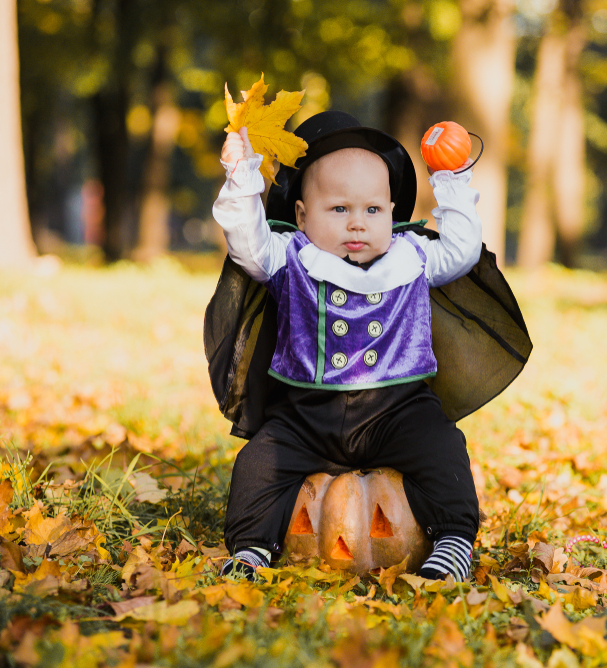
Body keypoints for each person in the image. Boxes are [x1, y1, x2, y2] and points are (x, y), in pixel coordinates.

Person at [211, 110, 494, 583]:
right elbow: (246, 243)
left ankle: (453, 540)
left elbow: (463, 250)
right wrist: (241, 176)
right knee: (258, 463)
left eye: (373, 210)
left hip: (397, 410)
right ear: (302, 215)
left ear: (391, 211)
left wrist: (450, 179)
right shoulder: (291, 258)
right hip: (307, 415)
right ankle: (254, 547)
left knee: (444, 449)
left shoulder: (412, 258)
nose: (357, 224)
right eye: (339, 209)